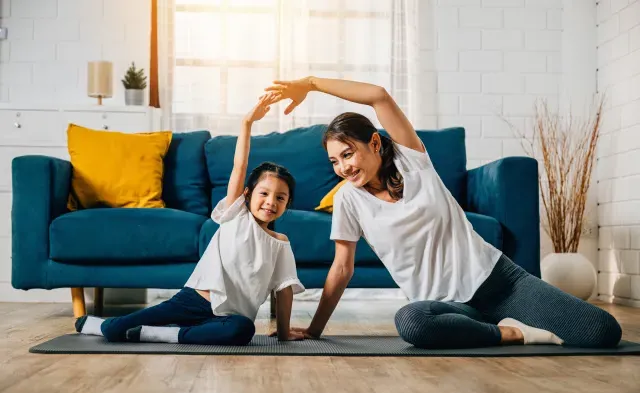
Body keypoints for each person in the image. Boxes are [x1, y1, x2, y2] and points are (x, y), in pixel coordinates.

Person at [264, 77, 622, 349]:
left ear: (374, 143)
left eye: (348, 153)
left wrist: (309, 83)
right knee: (413, 322)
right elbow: (342, 268)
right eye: (334, 160)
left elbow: (378, 96)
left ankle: (498, 322)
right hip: (447, 307)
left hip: (500, 282)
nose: (342, 167)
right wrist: (315, 330)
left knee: (603, 332)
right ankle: (510, 332)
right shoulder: (348, 201)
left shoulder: (411, 159)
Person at [74, 92, 306, 345]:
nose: (271, 202)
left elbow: (284, 291)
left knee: (243, 330)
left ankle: (161, 334)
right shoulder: (236, 214)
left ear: (287, 204)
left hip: (227, 319)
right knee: (115, 331)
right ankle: (101, 325)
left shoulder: (280, 243)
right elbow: (239, 167)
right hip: (193, 302)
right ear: (247, 195)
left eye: (281, 198)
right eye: (264, 194)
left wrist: (284, 334)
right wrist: (247, 124)